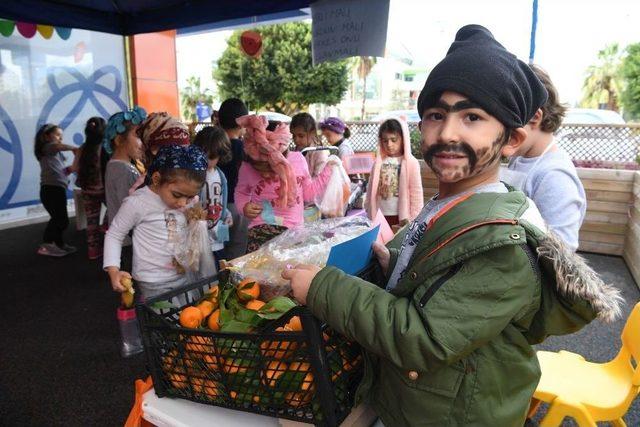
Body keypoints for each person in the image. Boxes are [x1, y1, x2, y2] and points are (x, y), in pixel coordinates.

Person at [282, 25, 622, 426]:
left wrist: (323, 287)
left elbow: (423, 337)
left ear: (511, 139)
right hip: (422, 401)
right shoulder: (450, 202)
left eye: (473, 117)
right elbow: (443, 280)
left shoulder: (502, 243)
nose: (447, 133)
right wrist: (396, 267)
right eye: (436, 115)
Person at [103, 144, 208, 300]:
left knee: (187, 316)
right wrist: (113, 270)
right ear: (157, 179)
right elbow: (115, 235)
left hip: (183, 274)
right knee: (163, 320)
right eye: (177, 195)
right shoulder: (138, 203)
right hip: (153, 280)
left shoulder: (186, 201)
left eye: (190, 197)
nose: (182, 203)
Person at [501, 64, 586, 251]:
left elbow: (562, 252)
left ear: (534, 117)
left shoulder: (555, 176)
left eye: (505, 119)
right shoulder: (520, 158)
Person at [234, 115, 336, 252]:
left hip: (293, 236)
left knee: (287, 272)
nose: (265, 172)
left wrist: (328, 170)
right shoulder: (247, 167)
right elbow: (241, 192)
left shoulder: (298, 160)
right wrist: (243, 206)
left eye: (268, 165)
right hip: (260, 234)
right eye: (258, 165)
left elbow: (308, 194)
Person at [365, 117, 424, 227]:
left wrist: (415, 217)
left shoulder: (411, 163)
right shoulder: (378, 163)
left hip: (401, 218)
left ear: (403, 139)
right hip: (379, 215)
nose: (389, 144)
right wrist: (368, 207)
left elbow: (416, 193)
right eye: (385, 140)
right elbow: (371, 188)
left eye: (394, 140)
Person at [34, 123, 78, 257]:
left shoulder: (55, 155)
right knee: (60, 219)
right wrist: (73, 148)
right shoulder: (47, 148)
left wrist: (72, 166)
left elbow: (63, 171)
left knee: (60, 218)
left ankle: (59, 244)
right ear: (46, 136)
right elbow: (57, 146)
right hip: (50, 190)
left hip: (57, 189)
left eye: (61, 136)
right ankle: (47, 244)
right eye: (57, 135)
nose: (60, 139)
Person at [192, 126, 233, 268]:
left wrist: (227, 215)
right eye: (203, 154)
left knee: (218, 274)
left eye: (211, 157)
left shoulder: (220, 176)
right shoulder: (194, 176)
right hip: (199, 239)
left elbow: (222, 202)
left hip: (218, 237)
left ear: (220, 156)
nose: (206, 160)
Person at [103, 107, 147, 227]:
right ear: (119, 140)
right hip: (127, 238)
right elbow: (134, 212)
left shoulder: (114, 165)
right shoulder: (125, 171)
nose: (143, 143)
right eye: (138, 136)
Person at [218, 98, 249, 259]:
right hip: (239, 207)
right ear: (242, 123)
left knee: (220, 247)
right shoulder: (245, 148)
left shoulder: (215, 145)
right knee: (237, 250)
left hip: (217, 205)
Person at [73, 117, 108, 259]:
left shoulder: (82, 148)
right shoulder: (106, 148)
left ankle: (93, 252)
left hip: (87, 190)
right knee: (114, 211)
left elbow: (75, 168)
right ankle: (105, 229)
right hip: (104, 190)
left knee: (91, 222)